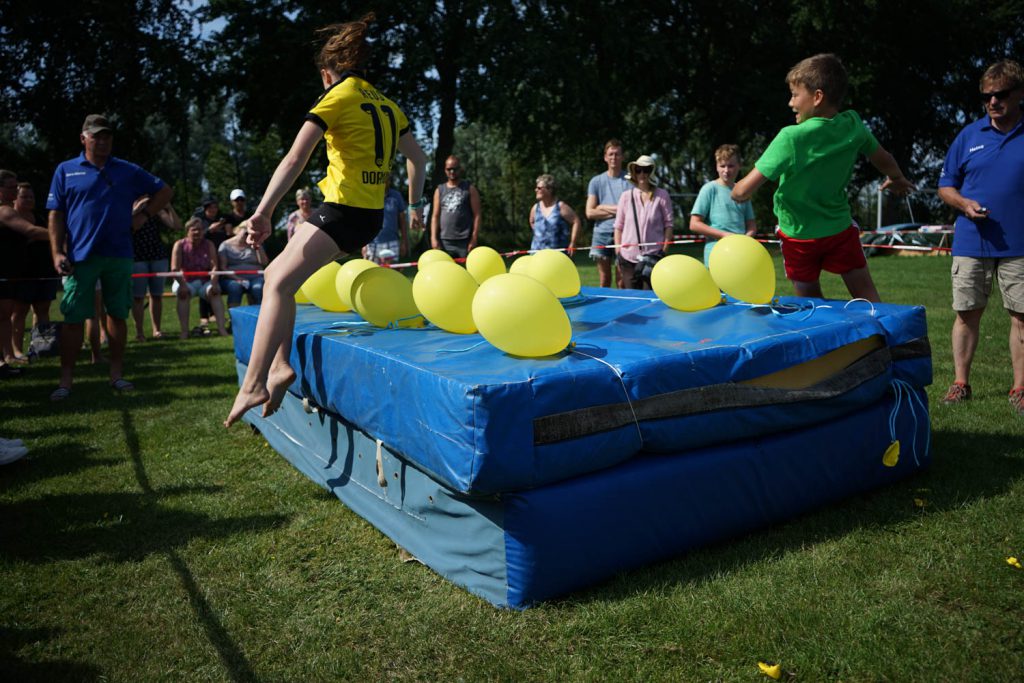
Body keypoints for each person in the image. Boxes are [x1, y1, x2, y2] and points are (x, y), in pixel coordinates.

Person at [225, 13, 427, 427]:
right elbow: (419, 159)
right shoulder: (388, 105)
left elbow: (294, 158)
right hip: (369, 215)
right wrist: (414, 205)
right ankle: (280, 365)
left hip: (343, 211)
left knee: (276, 284)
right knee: (279, 275)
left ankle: (254, 382)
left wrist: (262, 211)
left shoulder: (336, 97)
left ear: (326, 74)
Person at [732, 53, 914, 302]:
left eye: (795, 95)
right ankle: (881, 327)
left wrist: (735, 191)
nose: (790, 103)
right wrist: (896, 177)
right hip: (838, 230)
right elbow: (883, 157)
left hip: (798, 236)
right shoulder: (852, 125)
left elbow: (743, 191)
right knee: (869, 298)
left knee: (811, 303)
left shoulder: (791, 138)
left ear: (817, 97)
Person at [46, 114, 173, 400]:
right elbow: (56, 214)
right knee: (73, 317)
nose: (102, 141)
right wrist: (56, 251)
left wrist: (143, 215)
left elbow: (165, 191)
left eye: (107, 136)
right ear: (83, 139)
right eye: (96, 136)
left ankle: (116, 374)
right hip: (80, 256)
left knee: (118, 314)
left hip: (119, 254)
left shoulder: (126, 169)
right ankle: (65, 381)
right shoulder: (66, 170)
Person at [936, 59, 1024, 412]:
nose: (993, 102)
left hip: (1020, 245)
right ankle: (960, 383)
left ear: (1019, 93)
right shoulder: (969, 136)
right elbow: (945, 186)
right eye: (987, 96)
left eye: (1001, 94)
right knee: (966, 313)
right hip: (972, 241)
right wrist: (964, 204)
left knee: (1022, 317)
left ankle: (1020, 389)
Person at [1, 170, 50, 377]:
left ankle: (7, 357)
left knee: (4, 317)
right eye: (11, 187)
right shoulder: (4, 211)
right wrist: (60, 236)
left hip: (10, 272)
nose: (15, 190)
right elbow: (30, 231)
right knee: (4, 315)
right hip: (2, 272)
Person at [11, 182, 59, 361]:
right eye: (24, 196)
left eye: (31, 197)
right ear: (15, 198)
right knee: (19, 312)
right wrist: (53, 235)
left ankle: (42, 347)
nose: (29, 200)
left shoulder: (40, 217)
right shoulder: (11, 218)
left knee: (43, 309)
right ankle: (16, 350)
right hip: (21, 273)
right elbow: (32, 233)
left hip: (44, 271)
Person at [689, 144, 757, 266]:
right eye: (722, 166)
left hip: (741, 255)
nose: (726, 170)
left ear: (739, 166)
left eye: (731, 166)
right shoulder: (709, 189)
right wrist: (724, 235)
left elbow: (751, 225)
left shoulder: (742, 191)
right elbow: (694, 224)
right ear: (716, 166)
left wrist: (745, 240)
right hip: (715, 254)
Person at [614, 155, 674, 290]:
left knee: (650, 296)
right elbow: (618, 226)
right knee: (632, 297)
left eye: (646, 170)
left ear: (651, 172)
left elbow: (668, 225)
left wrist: (663, 251)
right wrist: (618, 252)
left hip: (653, 256)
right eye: (638, 170)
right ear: (634, 172)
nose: (642, 174)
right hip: (628, 258)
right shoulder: (625, 196)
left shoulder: (662, 195)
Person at [131, 196, 180, 341]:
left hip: (157, 256)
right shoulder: (129, 206)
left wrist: (168, 207)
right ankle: (139, 332)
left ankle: (157, 330)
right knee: (138, 297)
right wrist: (137, 209)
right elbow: (125, 225)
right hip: (137, 256)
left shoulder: (156, 210)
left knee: (156, 295)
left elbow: (176, 226)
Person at [171, 217, 227, 338]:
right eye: (194, 229)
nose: (197, 232)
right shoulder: (179, 245)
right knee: (183, 294)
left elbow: (214, 267)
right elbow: (175, 269)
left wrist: (213, 284)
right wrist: (183, 285)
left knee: (215, 292)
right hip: (184, 280)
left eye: (200, 229)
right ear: (187, 231)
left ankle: (222, 329)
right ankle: (184, 331)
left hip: (205, 281)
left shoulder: (209, 244)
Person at [586, 139, 630, 288]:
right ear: (605, 157)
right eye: (611, 154)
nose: (614, 157)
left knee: (621, 281)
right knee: (604, 279)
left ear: (622, 157)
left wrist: (602, 207)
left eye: (617, 154)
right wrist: (619, 210)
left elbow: (631, 210)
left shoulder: (630, 180)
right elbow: (590, 212)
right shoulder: (596, 181)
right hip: (601, 234)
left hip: (624, 233)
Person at [430, 154, 480, 259]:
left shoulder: (469, 188)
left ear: (460, 169)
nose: (452, 171)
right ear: (445, 170)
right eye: (449, 169)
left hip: (465, 241)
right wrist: (433, 238)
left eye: (455, 168)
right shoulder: (439, 190)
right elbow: (435, 216)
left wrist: (474, 238)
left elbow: (477, 215)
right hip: (445, 241)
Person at [219, 221, 268, 307]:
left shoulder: (255, 244)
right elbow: (223, 267)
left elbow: (264, 262)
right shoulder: (225, 245)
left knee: (257, 288)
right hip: (233, 278)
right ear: (237, 230)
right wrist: (238, 279)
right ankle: (234, 314)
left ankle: (259, 313)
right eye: (246, 233)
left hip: (256, 277)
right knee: (235, 287)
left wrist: (257, 245)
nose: (248, 235)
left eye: (252, 233)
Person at [529, 174, 581, 254]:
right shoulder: (535, 208)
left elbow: (576, 221)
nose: (536, 190)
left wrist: (573, 242)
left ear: (549, 189)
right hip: (537, 254)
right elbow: (532, 221)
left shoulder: (560, 206)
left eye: (539, 188)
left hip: (557, 255)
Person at [363, 180, 408, 264]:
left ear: (389, 180)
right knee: (372, 271)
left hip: (392, 242)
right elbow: (365, 221)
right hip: (372, 243)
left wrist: (404, 242)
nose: (384, 181)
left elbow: (403, 222)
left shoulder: (396, 196)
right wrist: (364, 244)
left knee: (391, 271)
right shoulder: (370, 195)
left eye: (386, 178)